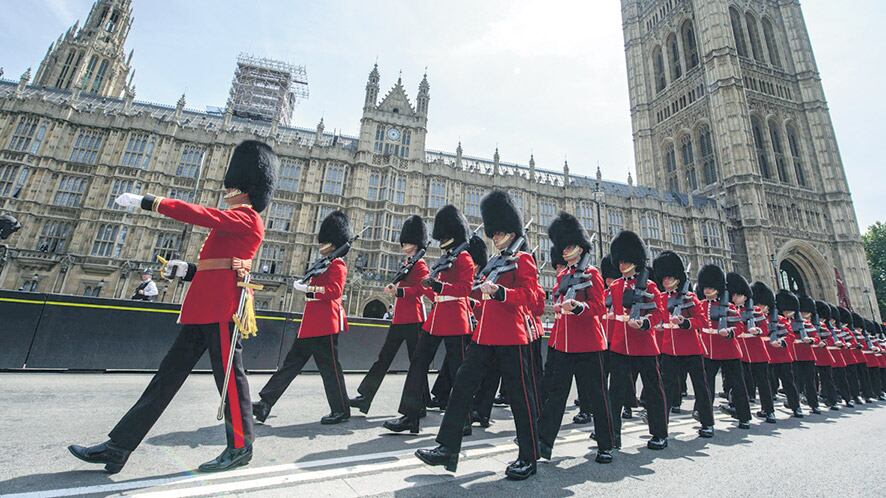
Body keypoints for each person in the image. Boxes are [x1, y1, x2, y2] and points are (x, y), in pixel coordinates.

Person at [68, 140, 276, 473]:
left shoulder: (248, 217)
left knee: (230, 380)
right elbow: (217, 264)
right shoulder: (236, 217)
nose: (227, 190)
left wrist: (151, 202)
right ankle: (119, 446)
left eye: (232, 186)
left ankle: (240, 446)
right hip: (204, 306)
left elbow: (200, 215)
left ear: (246, 188)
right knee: (166, 379)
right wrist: (188, 270)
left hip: (224, 308)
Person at [415, 190, 540, 480]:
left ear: (512, 232)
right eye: (493, 233)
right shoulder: (495, 262)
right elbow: (472, 290)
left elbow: (532, 298)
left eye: (500, 233)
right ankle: (447, 447)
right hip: (483, 337)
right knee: (460, 389)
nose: (495, 238)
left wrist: (501, 293)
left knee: (521, 398)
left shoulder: (523, 260)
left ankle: (528, 456)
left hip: (512, 337)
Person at [383, 205, 478, 434]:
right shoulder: (445, 259)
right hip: (436, 318)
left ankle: (464, 418)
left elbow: (465, 288)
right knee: (417, 365)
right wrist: (431, 285)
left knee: (458, 371)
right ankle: (410, 416)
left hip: (456, 317)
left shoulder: (464, 258)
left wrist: (438, 285)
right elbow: (436, 291)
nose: (442, 239)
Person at [253, 211, 352, 425]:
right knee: (290, 365)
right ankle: (265, 404)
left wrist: (309, 289)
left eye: (325, 241)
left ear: (333, 242)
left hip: (325, 323)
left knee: (330, 369)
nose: (321, 245)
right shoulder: (325, 262)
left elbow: (334, 291)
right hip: (312, 323)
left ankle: (341, 410)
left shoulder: (338, 264)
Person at [537, 211, 614, 464]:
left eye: (569, 247)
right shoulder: (561, 276)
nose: (566, 251)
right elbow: (557, 301)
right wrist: (561, 307)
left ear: (580, 248)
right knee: (556, 395)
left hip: (588, 343)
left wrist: (580, 308)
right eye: (563, 247)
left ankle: (606, 443)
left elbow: (600, 307)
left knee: (596, 395)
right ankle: (543, 442)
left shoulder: (592, 274)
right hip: (563, 343)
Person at [350, 215, 431, 415]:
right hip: (400, 318)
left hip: (414, 319)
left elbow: (421, 290)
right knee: (383, 359)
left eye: (408, 242)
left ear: (417, 243)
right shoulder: (407, 263)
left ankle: (422, 399)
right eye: (404, 242)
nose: (404, 245)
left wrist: (400, 291)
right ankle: (365, 397)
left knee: (417, 362)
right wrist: (394, 286)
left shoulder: (420, 265)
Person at [605, 230, 668, 451]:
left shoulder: (650, 286)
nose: (622, 265)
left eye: (627, 261)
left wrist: (645, 323)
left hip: (644, 344)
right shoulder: (614, 287)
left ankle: (659, 433)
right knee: (615, 393)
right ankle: (612, 436)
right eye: (620, 261)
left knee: (653, 391)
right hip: (621, 344)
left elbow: (660, 314)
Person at [653, 251, 714, 437]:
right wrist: (659, 326)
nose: (665, 281)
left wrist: (685, 323)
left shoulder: (689, 298)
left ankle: (707, 422)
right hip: (669, 350)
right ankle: (661, 426)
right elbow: (658, 320)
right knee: (666, 389)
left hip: (691, 349)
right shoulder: (662, 299)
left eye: (669, 277)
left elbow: (702, 321)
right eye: (663, 278)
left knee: (700, 387)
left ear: (678, 279)